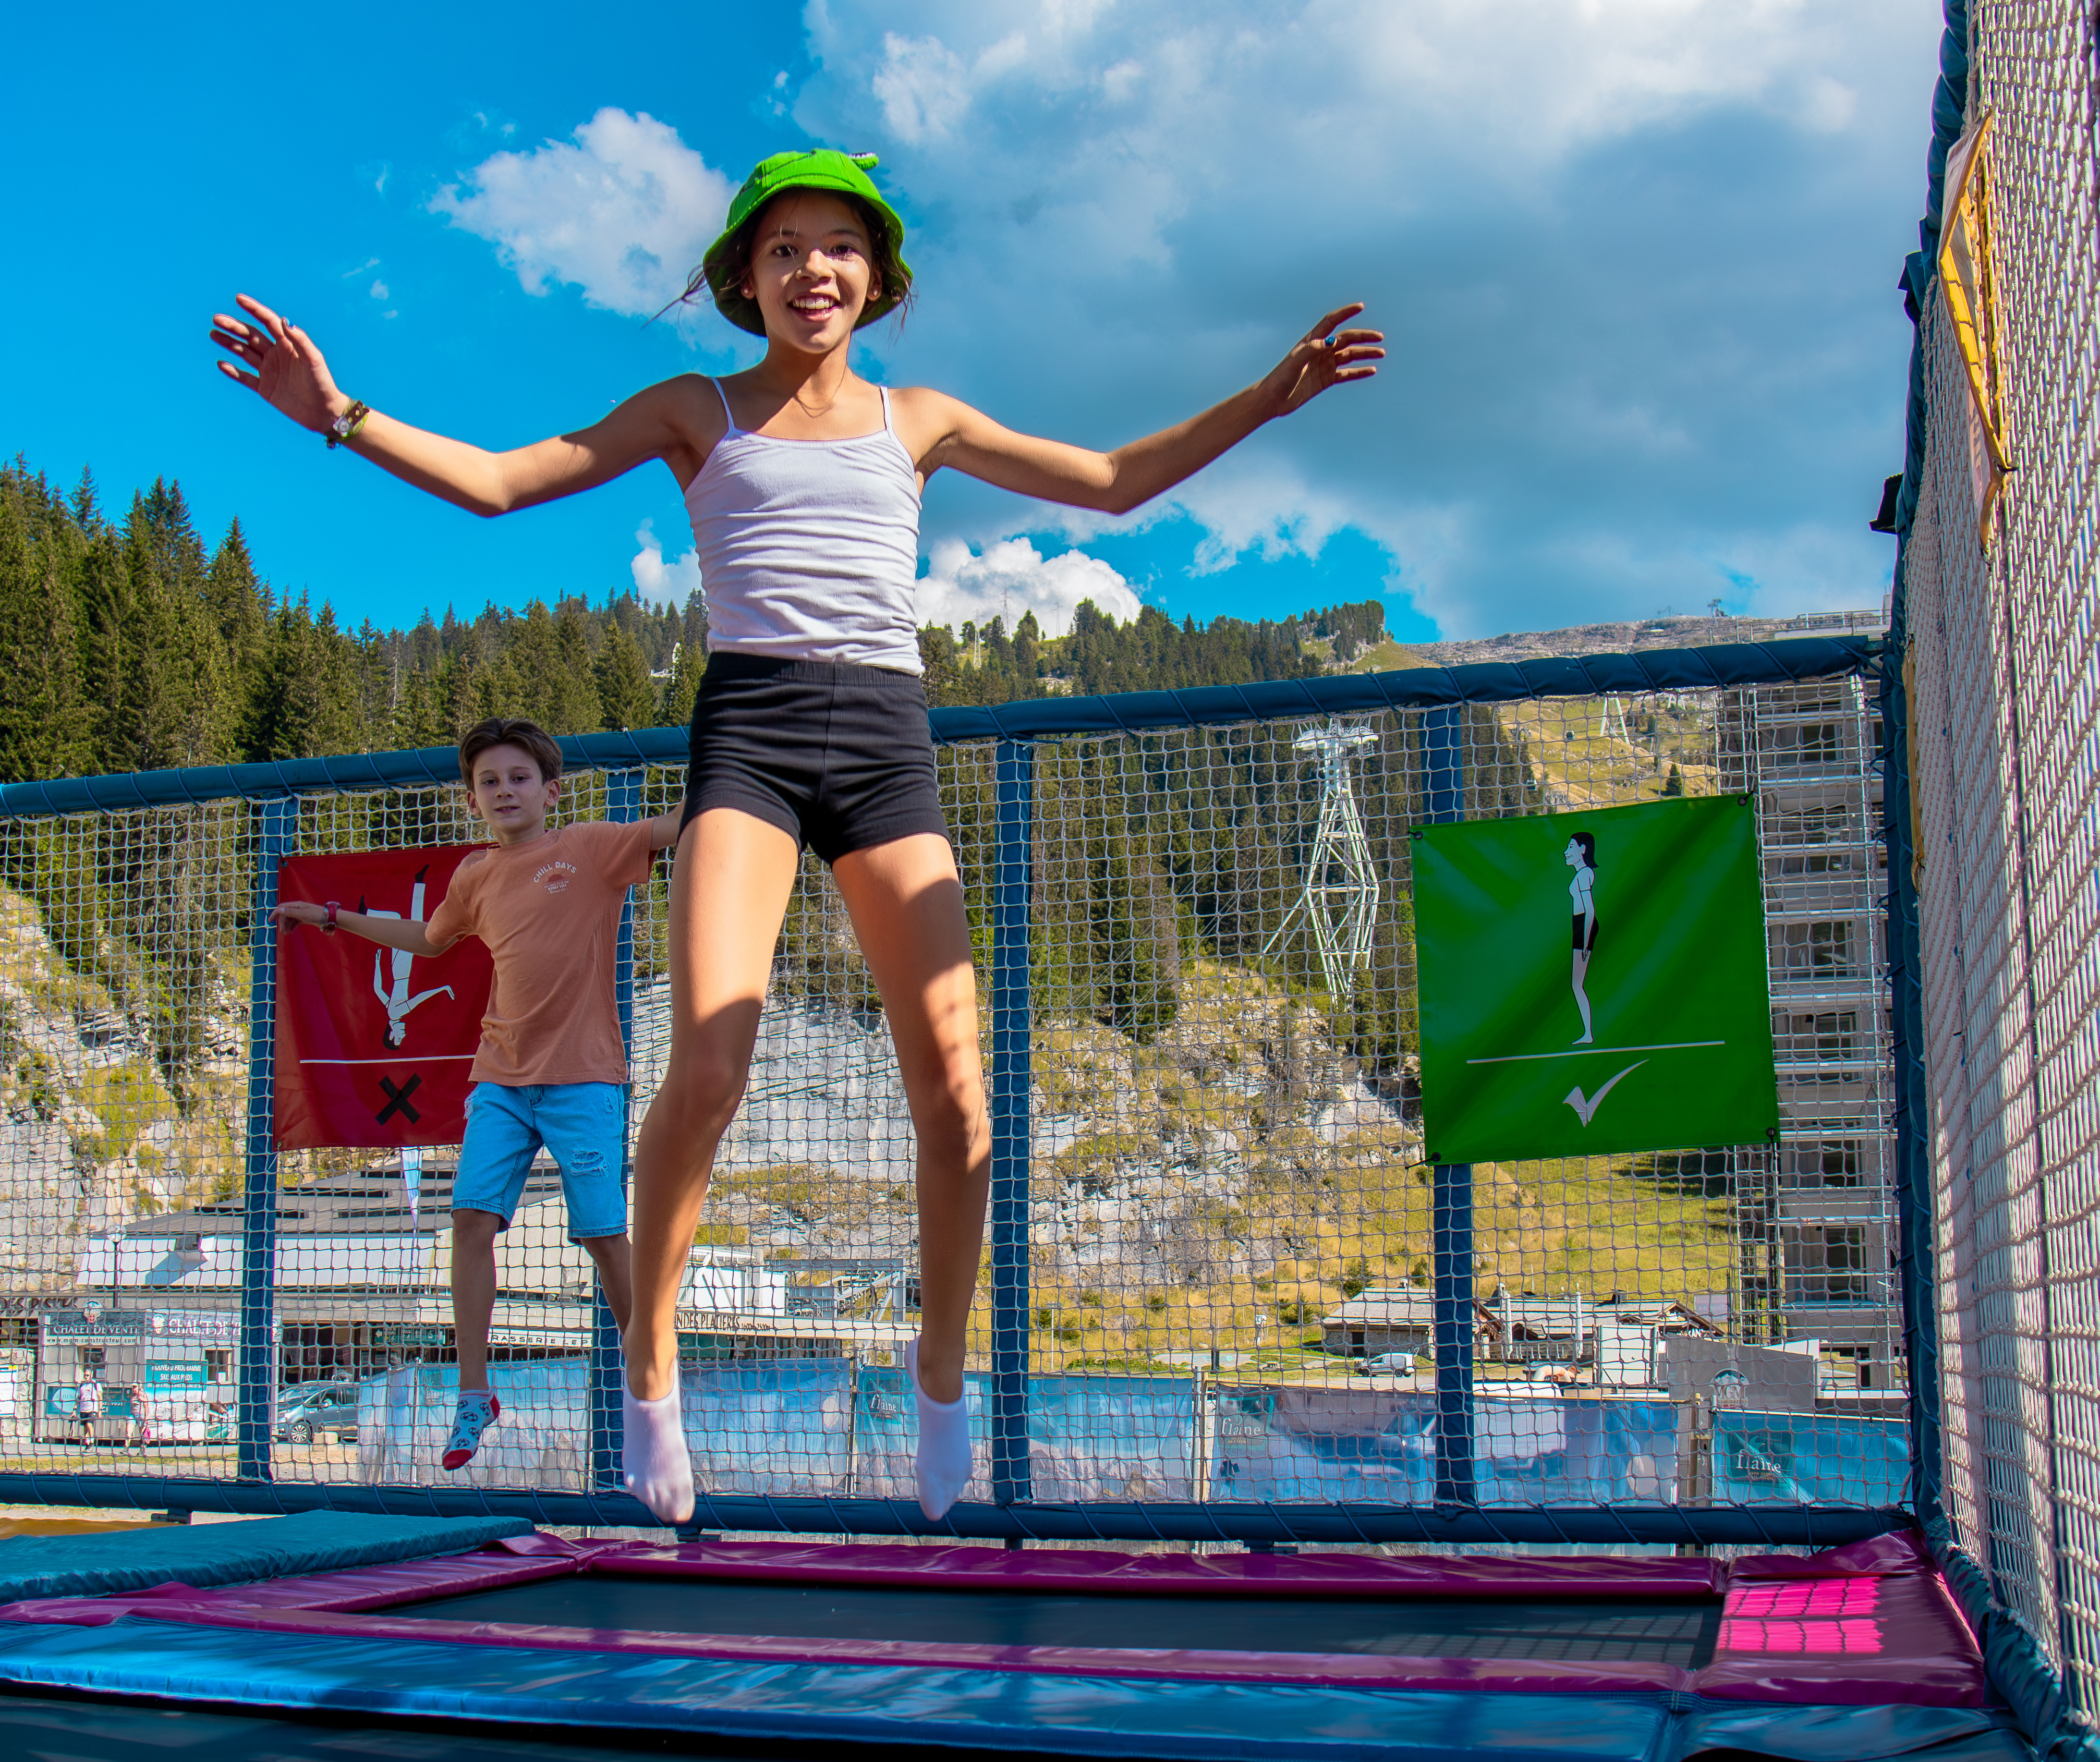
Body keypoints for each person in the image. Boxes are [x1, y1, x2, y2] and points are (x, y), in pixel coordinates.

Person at [212, 149, 1382, 1522]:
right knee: (706, 1060)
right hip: (751, 743)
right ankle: (645, 1363)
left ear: (875, 279)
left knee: (956, 1097)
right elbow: (496, 482)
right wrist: (337, 412)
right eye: (782, 250)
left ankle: (937, 1372)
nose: (810, 270)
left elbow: (1114, 479)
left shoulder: (918, 417)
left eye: (837, 248)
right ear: (742, 278)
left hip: (884, 745)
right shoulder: (693, 409)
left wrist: (1268, 394)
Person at [273, 716, 678, 1473]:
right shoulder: (474, 876)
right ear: (472, 801)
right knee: (468, 1220)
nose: (505, 791)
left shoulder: (590, 847)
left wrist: (750, 773)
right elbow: (427, 940)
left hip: (584, 1076)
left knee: (600, 1234)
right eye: (489, 782)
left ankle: (646, 1377)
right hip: (500, 1077)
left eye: (519, 778)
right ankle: (473, 1391)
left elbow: (677, 824)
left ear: (549, 790)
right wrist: (331, 917)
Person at [1564, 832, 1599, 1044]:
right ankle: (1587, 1033)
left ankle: (1588, 1034)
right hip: (1580, 925)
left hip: (1585, 925)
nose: (1566, 852)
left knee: (1577, 984)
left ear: (1583, 850)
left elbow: (1590, 909)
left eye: (1571, 847)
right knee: (1576, 984)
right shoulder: (1580, 874)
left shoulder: (1585, 874)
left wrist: (1586, 941)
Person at [75, 1369, 103, 1445]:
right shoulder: (82, 1385)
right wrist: (74, 1409)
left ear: (91, 1375)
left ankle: (92, 1442)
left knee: (89, 1425)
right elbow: (78, 1398)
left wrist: (100, 1410)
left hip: (92, 1408)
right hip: (83, 1409)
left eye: (87, 1375)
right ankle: (87, 1442)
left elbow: (100, 1397)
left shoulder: (96, 1385)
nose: (86, 1377)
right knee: (85, 1426)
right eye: (85, 1375)